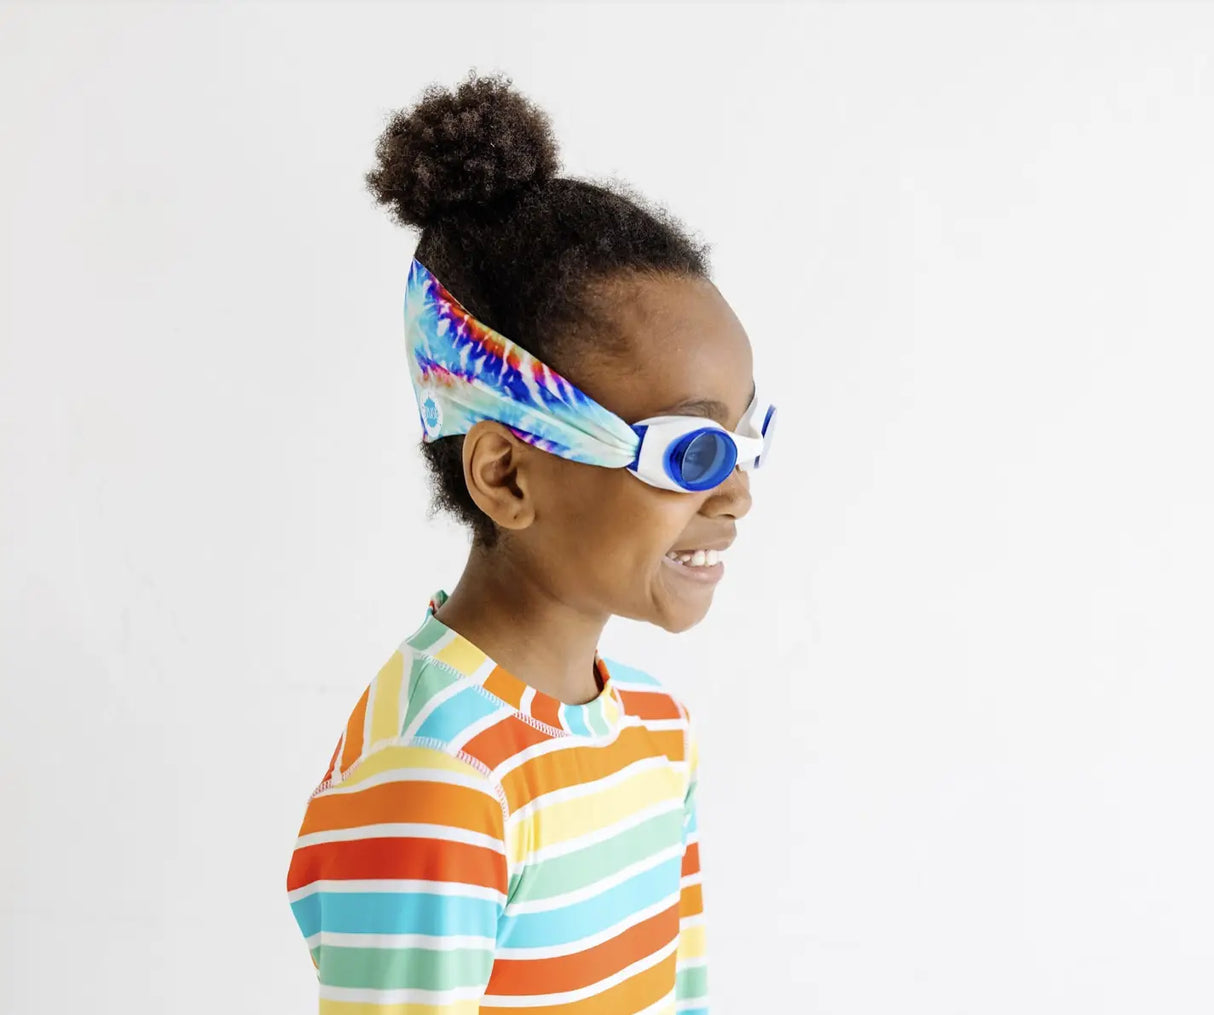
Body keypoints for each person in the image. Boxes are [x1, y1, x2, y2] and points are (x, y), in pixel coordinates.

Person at [285, 70, 775, 1014]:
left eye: (749, 438)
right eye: (692, 449)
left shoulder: (653, 732)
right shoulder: (437, 777)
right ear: (506, 473)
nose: (738, 494)